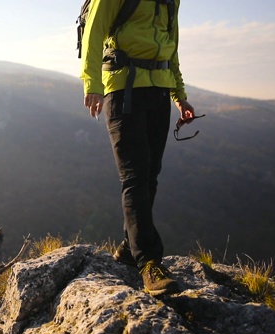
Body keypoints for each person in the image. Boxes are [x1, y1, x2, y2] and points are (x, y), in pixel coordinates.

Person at [80, 0, 196, 295]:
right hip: (123, 89)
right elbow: (94, 33)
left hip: (158, 89)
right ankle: (149, 262)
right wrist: (92, 84)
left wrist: (179, 96)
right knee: (134, 175)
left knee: (150, 175)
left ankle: (129, 249)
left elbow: (172, 48)